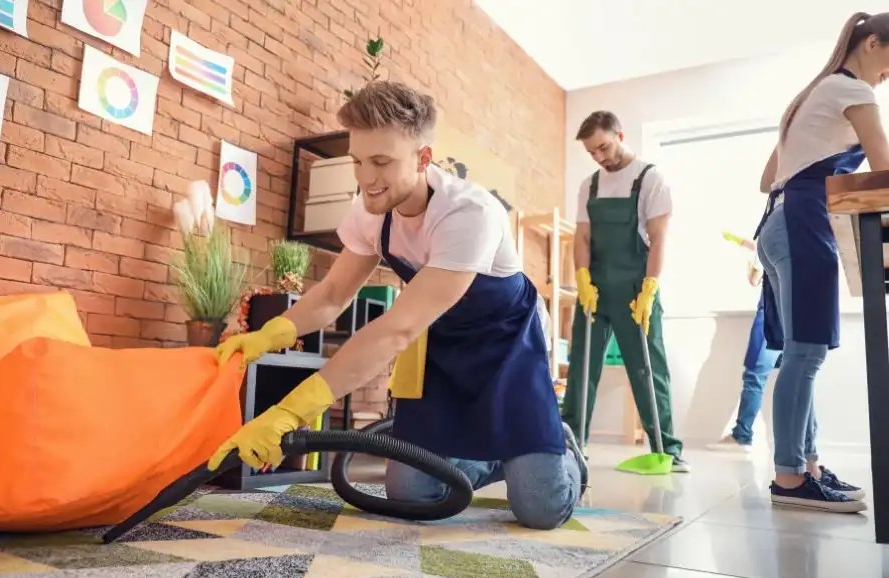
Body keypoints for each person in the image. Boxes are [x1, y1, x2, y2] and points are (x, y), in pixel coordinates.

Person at [209, 80, 588, 530]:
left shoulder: (469, 214)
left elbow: (397, 329)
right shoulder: (370, 210)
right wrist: (271, 334)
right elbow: (332, 295)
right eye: (358, 161)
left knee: (540, 510)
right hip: (442, 349)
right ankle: (508, 460)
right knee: (412, 492)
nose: (366, 178)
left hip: (507, 348)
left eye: (382, 162)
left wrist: (292, 410)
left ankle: (559, 450)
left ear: (422, 158)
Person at [753, 11, 889, 512]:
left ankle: (806, 464)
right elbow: (884, 167)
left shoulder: (813, 94)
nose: (887, 75)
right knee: (806, 354)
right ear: (873, 43)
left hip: (776, 223)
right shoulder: (853, 90)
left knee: (799, 354)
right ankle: (790, 479)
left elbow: (767, 177)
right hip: (801, 224)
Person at [561, 111, 689, 472]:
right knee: (582, 367)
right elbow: (582, 236)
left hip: (636, 288)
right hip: (596, 290)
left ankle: (668, 448)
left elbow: (659, 238)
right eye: (592, 153)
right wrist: (582, 278)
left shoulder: (650, 178)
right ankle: (571, 445)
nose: (599, 157)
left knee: (648, 370)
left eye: (603, 147)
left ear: (620, 134)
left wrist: (649, 288)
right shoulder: (590, 185)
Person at [708, 249, 782, 452]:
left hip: (772, 316)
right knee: (797, 379)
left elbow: (754, 278)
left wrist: (752, 265)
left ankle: (742, 435)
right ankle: (801, 441)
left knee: (755, 378)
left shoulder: (768, 238)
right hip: (797, 317)